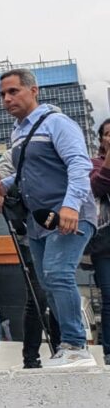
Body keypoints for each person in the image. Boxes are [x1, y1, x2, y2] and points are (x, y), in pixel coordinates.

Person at [0, 68, 98, 367]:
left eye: (13, 91)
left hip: (68, 216)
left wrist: (71, 206)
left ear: (33, 91)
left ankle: (76, 346)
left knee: (58, 274)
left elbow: (78, 164)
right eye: (3, 94)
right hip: (40, 223)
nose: (7, 99)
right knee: (49, 282)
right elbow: (25, 176)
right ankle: (69, 346)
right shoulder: (18, 132)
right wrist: (3, 185)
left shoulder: (58, 123)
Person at [0, 147, 61, 368]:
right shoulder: (11, 156)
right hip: (29, 233)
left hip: (55, 230)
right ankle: (31, 357)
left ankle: (61, 348)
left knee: (56, 291)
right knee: (38, 296)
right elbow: (9, 192)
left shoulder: (53, 151)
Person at [88, 118, 110, 366]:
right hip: (106, 242)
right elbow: (97, 186)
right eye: (108, 134)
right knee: (109, 297)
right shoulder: (94, 163)